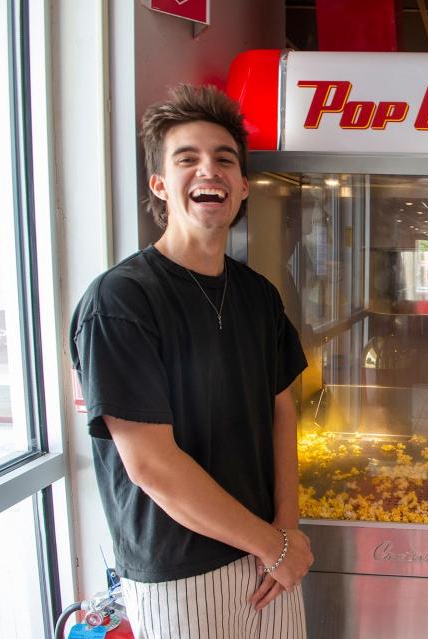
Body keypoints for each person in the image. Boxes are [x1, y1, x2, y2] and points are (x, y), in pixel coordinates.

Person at [69, 84, 313, 638]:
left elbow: (282, 412)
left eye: (225, 160)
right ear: (159, 183)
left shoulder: (258, 295)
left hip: (266, 557)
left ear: (244, 185)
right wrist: (273, 544)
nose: (211, 170)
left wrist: (286, 529)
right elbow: (151, 465)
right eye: (188, 159)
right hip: (180, 573)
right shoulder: (119, 302)